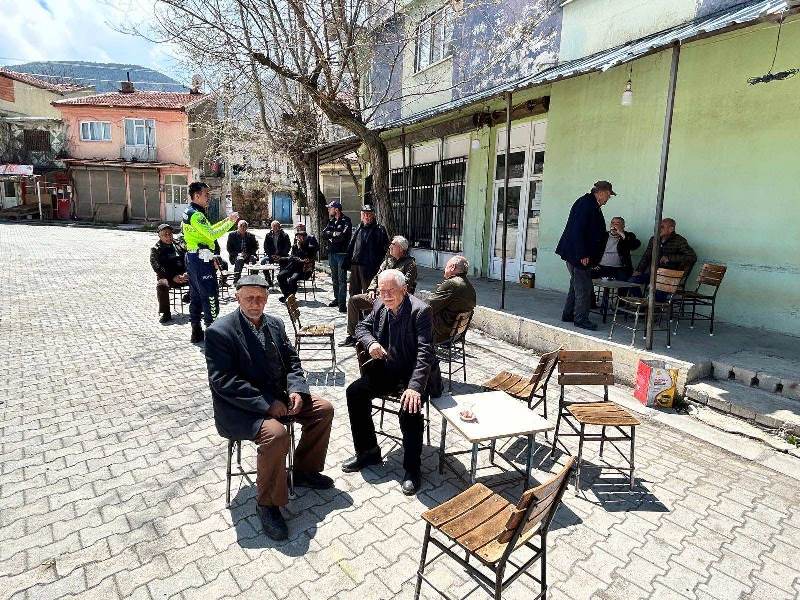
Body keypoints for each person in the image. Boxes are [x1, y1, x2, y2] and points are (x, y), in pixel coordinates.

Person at [205, 275, 334, 541]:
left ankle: (303, 471)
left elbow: (292, 360)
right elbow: (223, 381)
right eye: (249, 298)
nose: (256, 303)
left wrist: (298, 389)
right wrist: (267, 403)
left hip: (279, 397)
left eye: (261, 298)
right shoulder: (220, 331)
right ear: (237, 297)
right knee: (276, 435)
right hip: (241, 408)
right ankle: (268, 504)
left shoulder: (274, 324)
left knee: (323, 409)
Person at [342, 269, 442, 496]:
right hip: (388, 370)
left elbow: (425, 353)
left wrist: (415, 388)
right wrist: (370, 344)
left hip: (414, 373)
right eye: (381, 291)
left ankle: (412, 469)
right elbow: (361, 327)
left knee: (410, 409)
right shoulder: (379, 304)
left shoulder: (420, 311)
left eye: (390, 291)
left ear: (404, 290)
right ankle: (368, 451)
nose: (385, 296)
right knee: (355, 392)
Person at [555, 180, 615, 331]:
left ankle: (569, 314)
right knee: (584, 287)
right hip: (579, 254)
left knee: (576, 286)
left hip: (577, 253)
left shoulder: (590, 203)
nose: (608, 198)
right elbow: (577, 230)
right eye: (608, 195)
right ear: (601, 192)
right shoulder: (586, 204)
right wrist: (582, 253)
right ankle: (581, 319)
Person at [182, 181, 238, 342]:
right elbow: (212, 235)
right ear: (197, 195)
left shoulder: (191, 211)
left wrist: (228, 220)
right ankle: (211, 333)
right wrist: (230, 222)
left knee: (196, 295)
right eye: (206, 195)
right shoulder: (196, 215)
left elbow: (210, 229)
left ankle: (196, 330)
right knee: (210, 294)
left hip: (195, 258)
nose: (209, 198)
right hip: (200, 260)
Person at [339, 235, 417, 347]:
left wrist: (385, 293)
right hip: (378, 295)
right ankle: (352, 336)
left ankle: (381, 337)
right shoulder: (388, 261)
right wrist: (371, 289)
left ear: (401, 248)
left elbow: (405, 285)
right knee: (354, 300)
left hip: (395, 300)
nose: (390, 246)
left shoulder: (410, 264)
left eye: (393, 244)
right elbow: (377, 277)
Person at [630, 218, 697, 299]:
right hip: (653, 274)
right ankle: (641, 304)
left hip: (668, 276)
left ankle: (654, 308)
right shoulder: (654, 239)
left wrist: (670, 258)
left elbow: (692, 256)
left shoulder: (679, 241)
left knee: (659, 290)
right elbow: (647, 256)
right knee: (632, 281)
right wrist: (639, 270)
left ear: (671, 229)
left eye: (662, 227)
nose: (658, 229)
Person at [426, 255, 476, 344]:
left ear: (452, 267)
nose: (444, 269)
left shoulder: (452, 284)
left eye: (446, 266)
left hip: (441, 334)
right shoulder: (469, 286)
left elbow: (428, 307)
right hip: (455, 333)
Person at [343, 204, 389, 298]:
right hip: (355, 265)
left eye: (369, 214)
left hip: (369, 266)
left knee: (368, 293)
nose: (366, 217)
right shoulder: (358, 227)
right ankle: (355, 312)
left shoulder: (379, 229)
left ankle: (369, 313)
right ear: (361, 216)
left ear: (373, 215)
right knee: (353, 292)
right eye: (364, 214)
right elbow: (352, 245)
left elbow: (385, 249)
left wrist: (378, 264)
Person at [150, 223, 189, 323]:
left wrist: (187, 272)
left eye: (170, 234)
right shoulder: (156, 250)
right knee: (162, 285)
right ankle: (166, 313)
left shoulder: (179, 244)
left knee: (199, 278)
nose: (168, 237)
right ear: (159, 236)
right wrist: (172, 276)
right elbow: (157, 268)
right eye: (165, 235)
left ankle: (195, 305)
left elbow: (188, 259)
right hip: (167, 277)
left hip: (183, 275)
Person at [321, 200, 353, 312]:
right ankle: (337, 298)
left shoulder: (346, 221)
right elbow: (323, 234)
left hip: (342, 254)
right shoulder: (332, 221)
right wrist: (333, 234)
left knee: (342, 279)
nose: (329, 210)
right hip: (332, 253)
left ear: (336, 209)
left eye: (330, 208)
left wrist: (332, 236)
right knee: (334, 278)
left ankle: (342, 304)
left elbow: (342, 237)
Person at [276, 223, 319, 302]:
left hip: (303, 269)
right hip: (292, 267)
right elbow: (292, 257)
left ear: (304, 237)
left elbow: (309, 256)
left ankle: (291, 296)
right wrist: (282, 258)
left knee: (292, 280)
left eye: (300, 236)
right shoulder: (295, 246)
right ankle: (287, 295)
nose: (298, 238)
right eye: (297, 236)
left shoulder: (309, 245)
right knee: (280, 276)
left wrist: (301, 248)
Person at [594, 216, 641, 281]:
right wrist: (593, 264)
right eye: (612, 223)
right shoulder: (603, 235)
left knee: (625, 280)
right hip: (601, 267)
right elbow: (593, 249)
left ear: (623, 226)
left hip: (619, 268)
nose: (614, 225)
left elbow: (634, 246)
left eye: (617, 223)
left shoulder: (628, 236)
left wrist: (622, 234)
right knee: (585, 275)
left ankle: (622, 291)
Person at [226, 219, 259, 284]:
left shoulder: (251, 236)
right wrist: (238, 254)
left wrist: (248, 254)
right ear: (238, 226)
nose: (243, 228)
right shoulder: (232, 235)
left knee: (254, 259)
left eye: (245, 226)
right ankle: (237, 280)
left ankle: (253, 280)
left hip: (248, 255)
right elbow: (229, 248)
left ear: (247, 227)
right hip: (236, 255)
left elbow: (255, 247)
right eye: (241, 226)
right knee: (239, 260)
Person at [261, 220, 291, 286]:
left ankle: (281, 278)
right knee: (263, 261)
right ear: (271, 227)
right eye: (274, 226)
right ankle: (268, 279)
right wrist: (271, 255)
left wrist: (280, 255)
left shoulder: (284, 235)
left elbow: (287, 247)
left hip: (281, 256)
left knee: (286, 261)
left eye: (277, 226)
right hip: (271, 256)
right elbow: (266, 247)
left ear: (280, 227)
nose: (276, 228)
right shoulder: (268, 235)